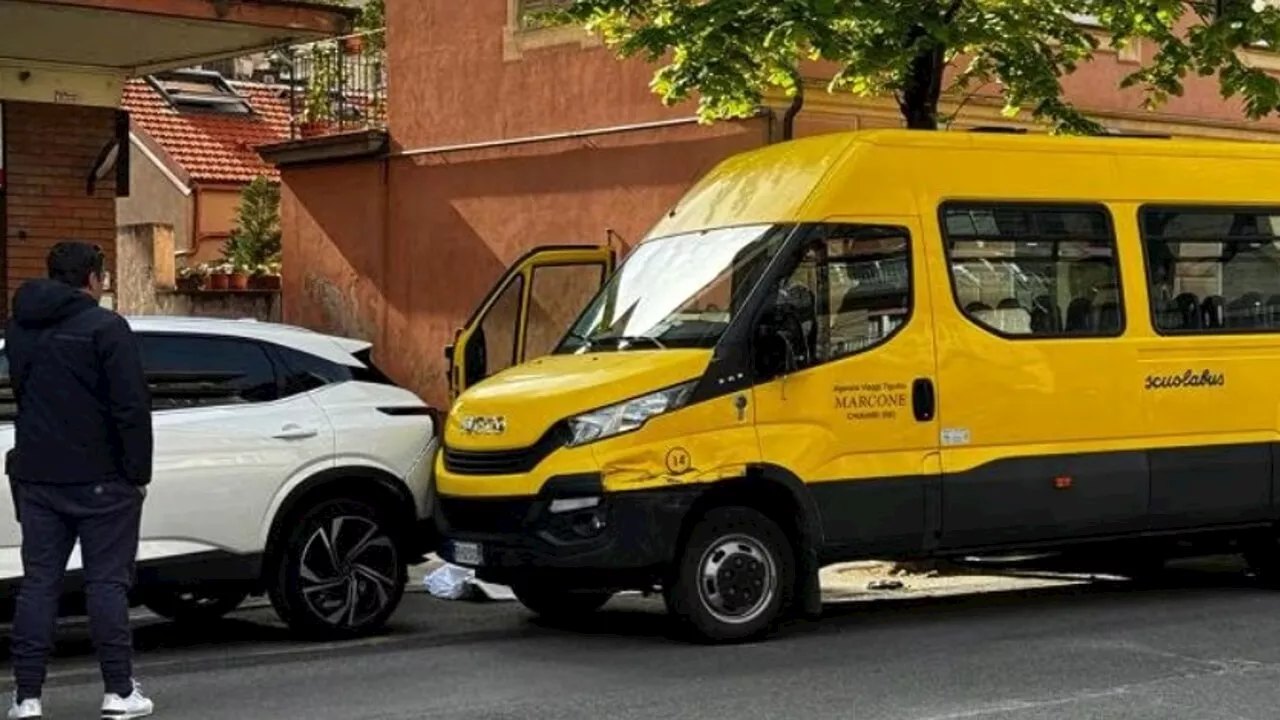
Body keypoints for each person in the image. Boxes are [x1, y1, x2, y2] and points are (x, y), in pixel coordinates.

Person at [5, 242, 154, 720]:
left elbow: (28, 394)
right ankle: (118, 691)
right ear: (92, 278)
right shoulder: (106, 328)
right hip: (101, 479)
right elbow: (131, 408)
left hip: (37, 475)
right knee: (106, 584)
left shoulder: (20, 327)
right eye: (103, 275)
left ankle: (26, 698)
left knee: (39, 585)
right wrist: (137, 475)